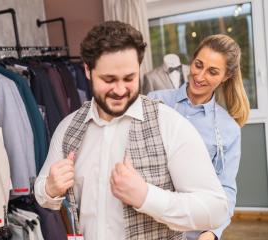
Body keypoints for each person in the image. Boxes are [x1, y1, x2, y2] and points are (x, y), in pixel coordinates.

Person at [34, 21, 228, 240]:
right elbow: (42, 192)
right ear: (87, 70)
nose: (119, 90)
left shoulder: (170, 125)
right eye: (108, 80)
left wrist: (146, 197)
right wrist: (50, 188)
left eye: (129, 78)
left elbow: (215, 209)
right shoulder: (68, 127)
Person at [148, 34, 250, 240]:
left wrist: (212, 232)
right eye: (198, 65)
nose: (200, 76)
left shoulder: (228, 129)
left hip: (193, 231)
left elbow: (226, 189)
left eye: (212, 72)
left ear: (226, 77)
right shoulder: (155, 102)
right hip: (149, 224)